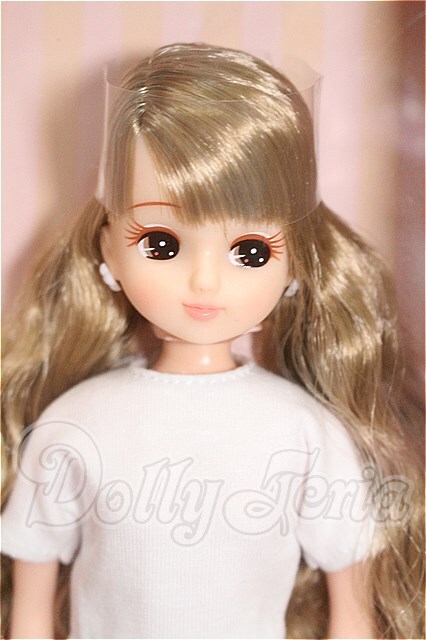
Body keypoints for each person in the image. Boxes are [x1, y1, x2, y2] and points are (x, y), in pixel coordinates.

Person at [1, 43, 423, 639]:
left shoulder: (303, 431)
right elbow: (31, 601)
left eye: (250, 251)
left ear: (298, 260)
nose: (204, 280)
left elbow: (353, 612)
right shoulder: (77, 423)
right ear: (108, 248)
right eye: (162, 244)